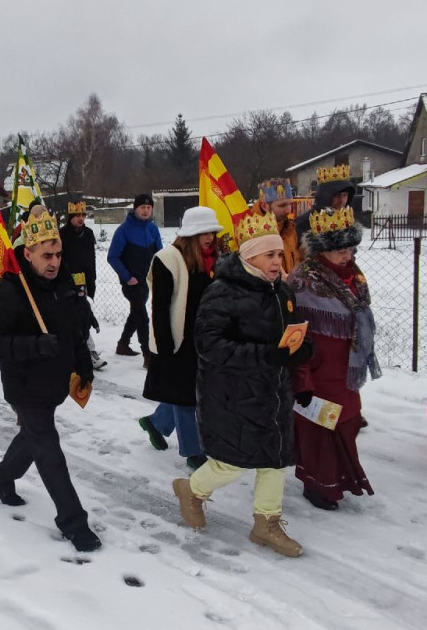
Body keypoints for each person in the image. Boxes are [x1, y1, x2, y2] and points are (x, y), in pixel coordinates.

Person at [171, 210, 313, 558]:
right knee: (232, 461)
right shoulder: (223, 292)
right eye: (270, 254)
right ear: (249, 255)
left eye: (279, 253)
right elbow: (210, 346)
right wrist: (267, 355)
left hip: (272, 392)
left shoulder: (281, 291)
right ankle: (192, 490)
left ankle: (266, 522)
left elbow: (288, 336)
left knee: (274, 459)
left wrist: (298, 351)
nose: (278, 261)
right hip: (231, 394)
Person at [0, 206, 100, 553]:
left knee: (32, 437)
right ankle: (73, 522)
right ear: (28, 253)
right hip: (23, 384)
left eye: (59, 254)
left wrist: (84, 366)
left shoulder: (65, 284)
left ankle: (0, 478)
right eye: (46, 255)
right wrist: (33, 345)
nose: (54, 262)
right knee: (48, 448)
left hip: (55, 381)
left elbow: (75, 332)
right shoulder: (10, 290)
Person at [287, 207, 380, 510]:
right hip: (318, 368)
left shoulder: (355, 275)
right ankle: (317, 483)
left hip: (347, 367)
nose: (347, 255)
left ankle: (339, 478)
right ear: (322, 250)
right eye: (340, 250)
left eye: (350, 248)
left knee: (348, 421)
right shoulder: (303, 280)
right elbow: (294, 333)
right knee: (321, 427)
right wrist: (302, 376)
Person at [138, 206, 223, 468]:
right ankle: (193, 451)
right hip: (179, 341)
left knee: (189, 391)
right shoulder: (168, 259)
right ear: (189, 234)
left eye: (211, 232)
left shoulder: (216, 259)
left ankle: (156, 422)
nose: (209, 237)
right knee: (187, 396)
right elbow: (160, 306)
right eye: (203, 233)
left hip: (207, 338)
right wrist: (163, 345)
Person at [107, 193, 163, 362]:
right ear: (135, 208)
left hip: (146, 280)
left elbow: (159, 254)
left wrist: (159, 274)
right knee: (142, 315)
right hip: (131, 281)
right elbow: (112, 257)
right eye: (142, 207)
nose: (146, 211)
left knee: (136, 312)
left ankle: (123, 344)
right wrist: (127, 277)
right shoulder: (124, 230)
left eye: (148, 207)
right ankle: (147, 353)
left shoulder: (153, 229)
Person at [60, 200, 105, 370]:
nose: (81, 219)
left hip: (84, 282)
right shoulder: (62, 234)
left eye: (83, 215)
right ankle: (85, 352)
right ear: (70, 217)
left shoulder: (88, 233)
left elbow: (91, 259)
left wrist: (92, 281)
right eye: (77, 215)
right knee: (75, 317)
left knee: (83, 315)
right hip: (67, 282)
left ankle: (85, 351)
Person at [254, 178, 301, 274]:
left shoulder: (290, 229)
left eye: (290, 204)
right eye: (282, 205)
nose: (289, 210)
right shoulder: (251, 234)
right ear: (264, 206)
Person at [296, 165, 355, 237]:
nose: (342, 200)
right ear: (324, 196)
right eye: (336, 195)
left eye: (345, 195)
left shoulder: (347, 220)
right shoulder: (303, 223)